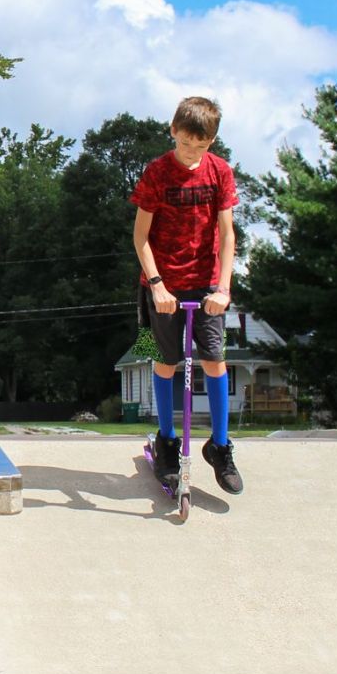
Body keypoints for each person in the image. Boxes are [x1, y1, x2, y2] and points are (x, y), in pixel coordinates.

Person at [130, 96, 243, 494]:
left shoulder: (220, 172)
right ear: (173, 130)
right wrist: (157, 284)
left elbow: (228, 235)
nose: (194, 150)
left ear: (212, 141)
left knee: (215, 360)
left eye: (203, 144)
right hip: (162, 285)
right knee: (166, 361)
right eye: (187, 141)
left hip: (208, 283)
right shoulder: (157, 173)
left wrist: (224, 287)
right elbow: (140, 237)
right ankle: (166, 441)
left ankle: (221, 446)